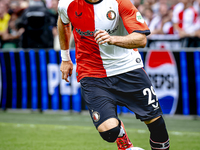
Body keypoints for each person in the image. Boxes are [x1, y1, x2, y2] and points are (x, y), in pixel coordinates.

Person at [58, 0, 170, 150]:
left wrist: (112, 39)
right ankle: (125, 144)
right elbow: (63, 21)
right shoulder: (67, 3)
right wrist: (65, 58)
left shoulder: (120, 2)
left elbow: (141, 39)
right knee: (109, 132)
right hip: (92, 72)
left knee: (157, 125)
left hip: (128, 69)